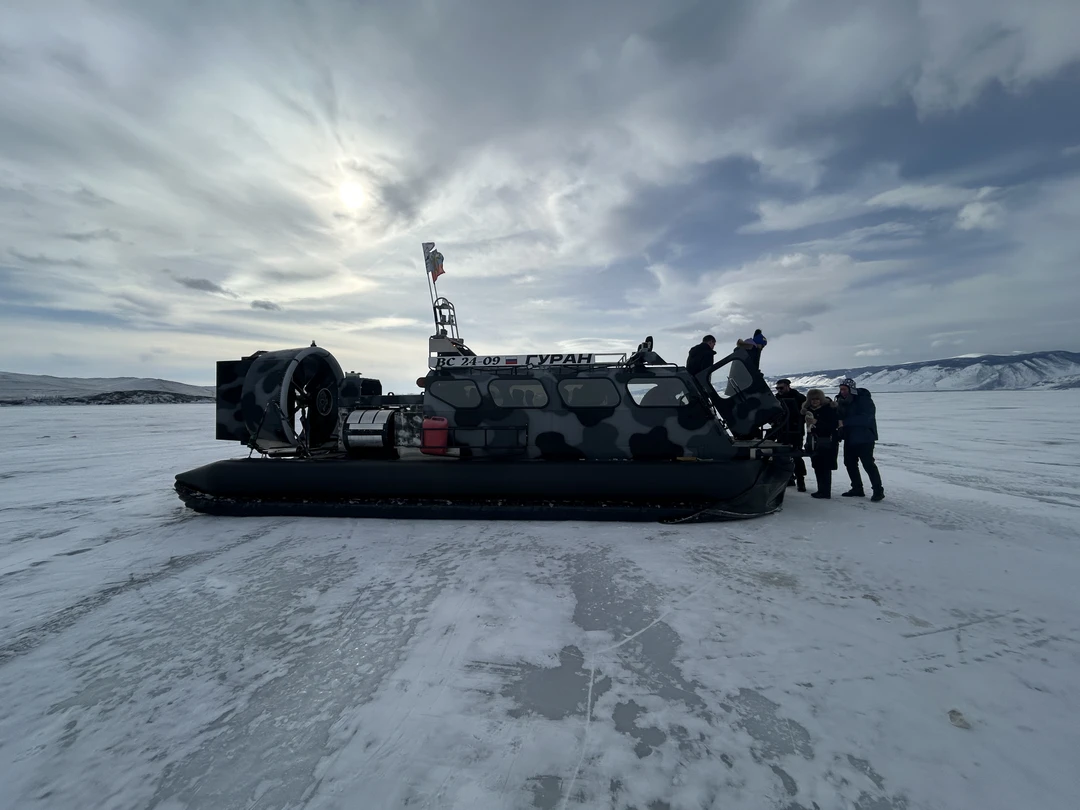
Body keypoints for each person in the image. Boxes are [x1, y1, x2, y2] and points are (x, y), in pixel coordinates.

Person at [836, 377, 884, 501]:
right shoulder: (841, 401)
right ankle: (857, 488)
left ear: (851, 389)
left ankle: (878, 491)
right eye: (841, 389)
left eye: (845, 389)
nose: (842, 391)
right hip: (850, 438)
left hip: (865, 438)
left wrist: (845, 422)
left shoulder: (864, 400)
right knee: (850, 463)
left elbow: (866, 418)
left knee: (868, 464)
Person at [802, 388, 840, 498]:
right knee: (817, 465)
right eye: (812, 399)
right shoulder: (809, 410)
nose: (815, 401)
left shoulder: (828, 409)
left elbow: (833, 425)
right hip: (814, 441)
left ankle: (825, 491)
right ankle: (821, 489)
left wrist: (816, 422)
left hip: (827, 441)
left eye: (817, 399)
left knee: (825, 466)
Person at [774, 378, 807, 491]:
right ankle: (789, 478)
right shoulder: (776, 398)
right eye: (777, 388)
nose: (779, 390)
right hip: (781, 430)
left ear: (788, 386)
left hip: (795, 430)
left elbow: (805, 413)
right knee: (783, 455)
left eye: (781, 388)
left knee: (796, 454)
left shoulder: (799, 398)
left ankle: (800, 480)